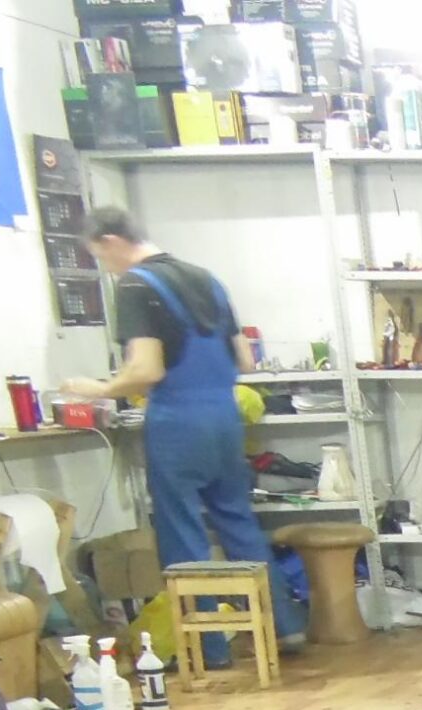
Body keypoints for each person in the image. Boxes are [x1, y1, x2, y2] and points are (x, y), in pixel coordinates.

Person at [66, 207, 295, 649]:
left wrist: (97, 388)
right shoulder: (208, 280)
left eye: (100, 257)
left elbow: (146, 370)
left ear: (111, 241)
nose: (106, 268)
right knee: (239, 524)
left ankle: (208, 651)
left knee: (184, 538)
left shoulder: (135, 285)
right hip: (225, 417)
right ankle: (285, 627)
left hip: (178, 423)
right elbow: (245, 360)